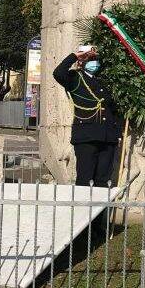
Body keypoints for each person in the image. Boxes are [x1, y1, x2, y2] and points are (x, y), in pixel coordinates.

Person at [53, 46, 122, 187]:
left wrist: (117, 134)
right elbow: (58, 73)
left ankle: (101, 210)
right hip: (86, 137)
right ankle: (83, 209)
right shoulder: (75, 78)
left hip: (107, 138)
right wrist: (75, 56)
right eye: (90, 58)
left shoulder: (103, 81)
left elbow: (112, 110)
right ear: (81, 61)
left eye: (96, 59)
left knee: (103, 181)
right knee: (85, 180)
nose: (94, 62)